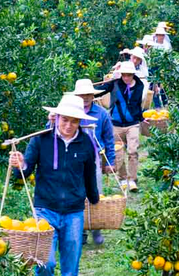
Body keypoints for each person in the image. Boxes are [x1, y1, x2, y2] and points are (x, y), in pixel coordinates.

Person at [9, 95, 99, 276]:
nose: (68, 125)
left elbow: (90, 174)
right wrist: (20, 165)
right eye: (65, 120)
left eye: (74, 122)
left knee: (71, 266)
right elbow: (26, 172)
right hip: (45, 210)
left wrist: (94, 199)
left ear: (80, 121)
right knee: (45, 263)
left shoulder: (86, 143)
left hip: (74, 212)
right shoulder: (41, 140)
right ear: (57, 117)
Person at [48, 79, 116, 246]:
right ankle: (81, 231)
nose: (85, 97)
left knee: (95, 193)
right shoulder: (66, 113)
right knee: (76, 194)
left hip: (93, 158)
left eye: (88, 94)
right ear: (77, 95)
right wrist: (51, 120)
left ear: (93, 95)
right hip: (70, 159)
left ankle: (96, 229)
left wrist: (111, 161)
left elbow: (109, 139)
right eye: (82, 94)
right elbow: (50, 132)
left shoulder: (101, 114)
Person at [95, 61, 146, 191]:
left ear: (133, 75)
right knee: (119, 153)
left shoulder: (139, 86)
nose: (126, 78)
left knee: (133, 151)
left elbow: (137, 104)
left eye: (129, 75)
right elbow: (100, 91)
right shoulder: (115, 84)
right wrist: (87, 92)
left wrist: (141, 118)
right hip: (116, 124)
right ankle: (123, 178)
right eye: (124, 75)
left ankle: (132, 180)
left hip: (132, 124)